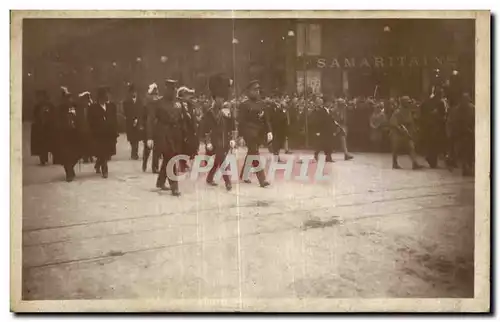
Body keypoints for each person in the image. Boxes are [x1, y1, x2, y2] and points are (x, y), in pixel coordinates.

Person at [146, 79, 183, 196]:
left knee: (168, 158)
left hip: (174, 135)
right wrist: (149, 137)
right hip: (162, 135)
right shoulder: (158, 103)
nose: (173, 92)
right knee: (171, 158)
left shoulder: (177, 103)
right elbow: (150, 120)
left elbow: (181, 120)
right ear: (166, 90)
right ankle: (174, 186)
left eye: (174, 89)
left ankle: (160, 182)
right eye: (171, 89)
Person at [201, 73, 235, 191]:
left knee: (218, 161)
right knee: (222, 160)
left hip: (224, 139)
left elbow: (231, 126)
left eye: (222, 98)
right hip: (214, 141)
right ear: (214, 99)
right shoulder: (209, 112)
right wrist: (208, 142)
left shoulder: (227, 112)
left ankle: (209, 178)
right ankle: (228, 182)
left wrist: (232, 139)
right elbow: (205, 129)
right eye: (218, 98)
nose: (220, 100)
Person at [237, 80, 271, 187]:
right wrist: (241, 136)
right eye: (254, 90)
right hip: (249, 133)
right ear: (248, 91)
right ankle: (262, 179)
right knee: (255, 154)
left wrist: (269, 131)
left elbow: (266, 119)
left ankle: (244, 174)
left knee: (251, 153)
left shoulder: (262, 104)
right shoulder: (244, 105)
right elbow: (241, 122)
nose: (257, 92)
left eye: (258, 89)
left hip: (259, 133)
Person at [52, 87, 83, 182]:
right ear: (63, 99)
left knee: (77, 154)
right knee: (66, 156)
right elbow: (56, 122)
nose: (69, 100)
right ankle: (69, 172)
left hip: (74, 135)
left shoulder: (75, 107)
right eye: (67, 98)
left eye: (70, 98)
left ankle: (70, 169)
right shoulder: (59, 109)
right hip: (64, 135)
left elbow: (80, 119)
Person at [88, 86, 118, 178]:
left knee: (107, 152)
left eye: (107, 96)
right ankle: (105, 170)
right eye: (105, 96)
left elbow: (114, 119)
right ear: (100, 97)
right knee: (102, 152)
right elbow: (90, 121)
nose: (107, 97)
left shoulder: (111, 106)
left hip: (109, 134)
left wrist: (115, 130)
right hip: (99, 134)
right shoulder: (93, 108)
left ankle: (98, 164)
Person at [389, 96, 423, 170]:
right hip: (397, 133)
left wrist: (413, 130)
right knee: (395, 149)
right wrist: (399, 128)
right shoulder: (397, 111)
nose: (409, 104)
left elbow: (411, 122)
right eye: (407, 102)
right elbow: (393, 122)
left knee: (411, 147)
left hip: (406, 133)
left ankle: (414, 163)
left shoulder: (408, 111)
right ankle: (394, 163)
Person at [419, 87, 448, 168]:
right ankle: (432, 160)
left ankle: (431, 159)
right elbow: (443, 114)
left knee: (431, 143)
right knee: (436, 143)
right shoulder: (440, 102)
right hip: (436, 126)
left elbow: (421, 113)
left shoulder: (426, 102)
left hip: (427, 125)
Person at [177, 86, 199, 172]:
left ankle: (184, 162)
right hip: (182, 129)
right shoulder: (178, 105)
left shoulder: (190, 105)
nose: (188, 97)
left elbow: (193, 117)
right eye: (187, 95)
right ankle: (181, 164)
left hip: (190, 129)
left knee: (190, 147)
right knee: (182, 147)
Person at [31, 90, 55, 165]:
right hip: (40, 127)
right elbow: (35, 115)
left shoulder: (50, 105)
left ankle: (52, 158)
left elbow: (53, 115)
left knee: (50, 143)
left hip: (49, 127)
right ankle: (43, 158)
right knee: (42, 144)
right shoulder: (37, 106)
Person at [142, 83, 161, 173]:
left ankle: (155, 167)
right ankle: (145, 162)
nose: (155, 94)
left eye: (156, 92)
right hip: (149, 125)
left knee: (156, 148)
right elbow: (144, 115)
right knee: (148, 148)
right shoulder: (147, 102)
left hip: (157, 126)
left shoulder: (158, 101)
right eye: (154, 92)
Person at [310, 95, 334, 162]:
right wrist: (317, 130)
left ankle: (328, 157)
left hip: (329, 130)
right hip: (322, 130)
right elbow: (318, 121)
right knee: (320, 144)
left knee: (328, 144)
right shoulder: (321, 111)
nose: (330, 104)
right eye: (329, 102)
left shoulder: (329, 111)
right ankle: (316, 154)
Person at [122, 83, 142, 160]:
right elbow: (126, 112)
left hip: (138, 122)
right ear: (130, 93)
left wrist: (137, 119)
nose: (134, 93)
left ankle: (135, 153)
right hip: (130, 122)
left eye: (135, 92)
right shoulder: (126, 102)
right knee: (132, 139)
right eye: (132, 92)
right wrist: (132, 119)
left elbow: (141, 111)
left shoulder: (140, 101)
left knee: (136, 139)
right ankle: (134, 152)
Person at [268, 95, 288, 162]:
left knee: (279, 143)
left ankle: (277, 155)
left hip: (281, 128)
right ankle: (276, 156)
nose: (278, 99)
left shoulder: (282, 107)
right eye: (276, 98)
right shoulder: (271, 107)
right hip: (274, 127)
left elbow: (284, 117)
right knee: (276, 143)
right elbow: (270, 117)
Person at [76, 91, 94, 163]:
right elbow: (78, 118)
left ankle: (90, 155)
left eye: (88, 100)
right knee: (83, 143)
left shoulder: (91, 108)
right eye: (85, 100)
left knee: (89, 143)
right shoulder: (79, 108)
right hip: (82, 129)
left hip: (89, 129)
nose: (86, 101)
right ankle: (85, 156)